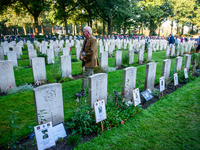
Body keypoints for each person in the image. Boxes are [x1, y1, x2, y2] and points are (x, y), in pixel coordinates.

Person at [75, 26, 99, 98]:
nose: (82, 32)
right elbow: (82, 49)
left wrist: (84, 57)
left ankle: (82, 92)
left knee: (85, 76)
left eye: (83, 31)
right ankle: (93, 88)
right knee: (92, 76)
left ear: (88, 32)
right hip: (86, 60)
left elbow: (92, 51)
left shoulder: (93, 40)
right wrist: (80, 56)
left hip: (91, 61)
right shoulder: (85, 39)